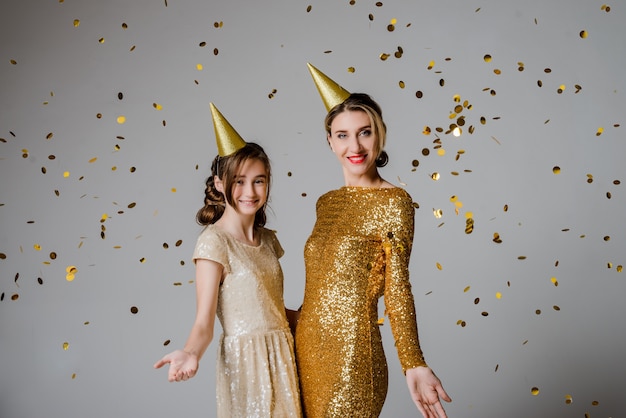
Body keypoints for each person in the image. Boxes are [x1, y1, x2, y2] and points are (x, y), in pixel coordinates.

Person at [294, 63, 451, 418]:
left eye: (364, 132)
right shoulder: (327, 203)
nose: (355, 145)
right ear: (329, 141)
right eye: (343, 135)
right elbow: (320, 289)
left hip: (353, 356)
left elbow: (398, 288)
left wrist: (413, 362)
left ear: (379, 135)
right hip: (306, 353)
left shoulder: (395, 202)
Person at [154, 103, 302, 418]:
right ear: (221, 184)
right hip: (248, 366)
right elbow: (204, 322)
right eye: (239, 181)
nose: (250, 191)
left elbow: (271, 309)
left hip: (284, 358)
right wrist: (191, 352)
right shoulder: (214, 243)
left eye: (259, 180)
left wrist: (322, 317)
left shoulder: (268, 240)